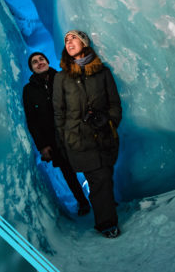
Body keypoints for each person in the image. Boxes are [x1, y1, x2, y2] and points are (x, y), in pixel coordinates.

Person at [52, 30, 122, 238]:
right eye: (66, 39)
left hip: (104, 136)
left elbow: (115, 105)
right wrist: (64, 140)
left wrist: (108, 121)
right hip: (79, 140)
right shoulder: (61, 77)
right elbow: (59, 112)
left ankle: (105, 206)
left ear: (84, 42)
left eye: (73, 38)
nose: (69, 42)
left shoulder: (103, 73)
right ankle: (106, 223)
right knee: (98, 179)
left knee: (105, 177)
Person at [23, 52, 91, 216]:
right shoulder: (29, 91)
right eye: (34, 62)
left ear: (47, 61)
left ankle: (100, 198)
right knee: (68, 173)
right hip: (53, 139)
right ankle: (82, 203)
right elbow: (32, 121)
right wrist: (43, 146)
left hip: (75, 132)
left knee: (89, 165)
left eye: (41, 59)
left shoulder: (63, 77)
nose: (39, 63)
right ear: (31, 68)